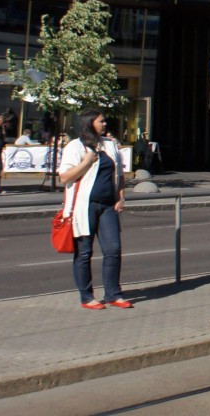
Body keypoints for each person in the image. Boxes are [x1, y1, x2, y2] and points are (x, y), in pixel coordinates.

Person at [59, 109, 131, 310]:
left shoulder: (110, 145)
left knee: (113, 249)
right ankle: (87, 296)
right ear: (90, 123)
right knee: (84, 252)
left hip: (108, 205)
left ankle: (113, 293)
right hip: (84, 206)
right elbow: (65, 177)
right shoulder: (75, 146)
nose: (105, 124)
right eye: (101, 121)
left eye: (105, 121)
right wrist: (87, 161)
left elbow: (120, 174)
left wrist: (120, 196)